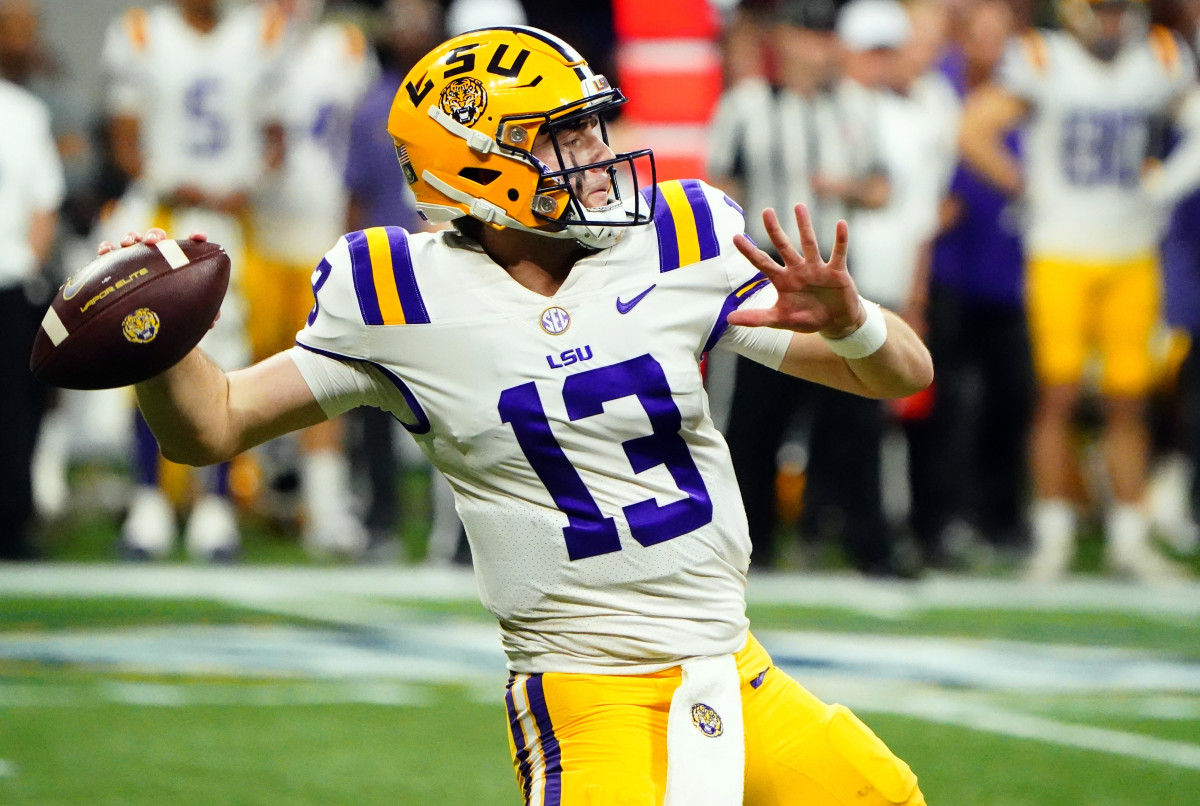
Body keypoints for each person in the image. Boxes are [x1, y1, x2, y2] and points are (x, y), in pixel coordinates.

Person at [104, 26, 932, 804]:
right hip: (584, 686)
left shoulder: (675, 236)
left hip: (732, 664)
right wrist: (154, 342)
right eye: (564, 136)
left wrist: (853, 321)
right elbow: (208, 428)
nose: (598, 155)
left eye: (594, 128)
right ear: (474, 166)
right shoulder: (395, 295)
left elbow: (901, 373)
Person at [959, 0, 1200, 581]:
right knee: (1057, 395)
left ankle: (1129, 538)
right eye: (1103, 8)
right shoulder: (1043, 58)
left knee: (1129, 399)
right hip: (1061, 249)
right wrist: (1026, 187)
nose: (1112, 20)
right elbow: (974, 131)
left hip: (1131, 251)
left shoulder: (1161, 58)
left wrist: (1166, 185)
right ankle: (1055, 533)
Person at [708, 0, 892, 571]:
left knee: (854, 410)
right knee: (753, 417)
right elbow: (720, 187)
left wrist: (846, 187)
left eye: (826, 35)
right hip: (765, 273)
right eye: (809, 34)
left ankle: (867, 547)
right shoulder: (746, 106)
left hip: (835, 276)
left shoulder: (855, 106)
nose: (820, 47)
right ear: (783, 40)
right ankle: (749, 547)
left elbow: (883, 188)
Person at [100, 0, 287, 561]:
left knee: (227, 362)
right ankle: (149, 500)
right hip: (160, 214)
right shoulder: (139, 31)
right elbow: (125, 139)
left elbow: (276, 139)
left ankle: (217, 502)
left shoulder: (262, 32)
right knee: (143, 346)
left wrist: (242, 183)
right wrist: (168, 181)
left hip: (229, 218)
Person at [245, 0, 376, 558]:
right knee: (244, 372)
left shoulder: (345, 45)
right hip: (252, 230)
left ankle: (323, 506)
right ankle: (240, 499)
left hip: (322, 232)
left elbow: (370, 137)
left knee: (324, 376)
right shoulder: (244, 40)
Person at [0, 72, 63, 559]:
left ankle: (12, 522)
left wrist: (31, 268)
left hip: (10, 281)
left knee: (17, 412)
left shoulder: (24, 111)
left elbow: (46, 201)